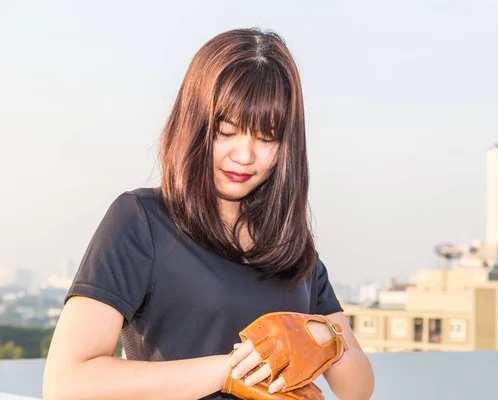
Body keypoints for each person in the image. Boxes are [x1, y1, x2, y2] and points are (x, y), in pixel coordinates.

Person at [43, 28, 375, 400]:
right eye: (226, 131)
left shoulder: (290, 244)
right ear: (195, 126)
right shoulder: (142, 221)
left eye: (267, 138)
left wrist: (322, 339)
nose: (245, 155)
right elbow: (67, 383)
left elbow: (357, 389)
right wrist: (232, 371)